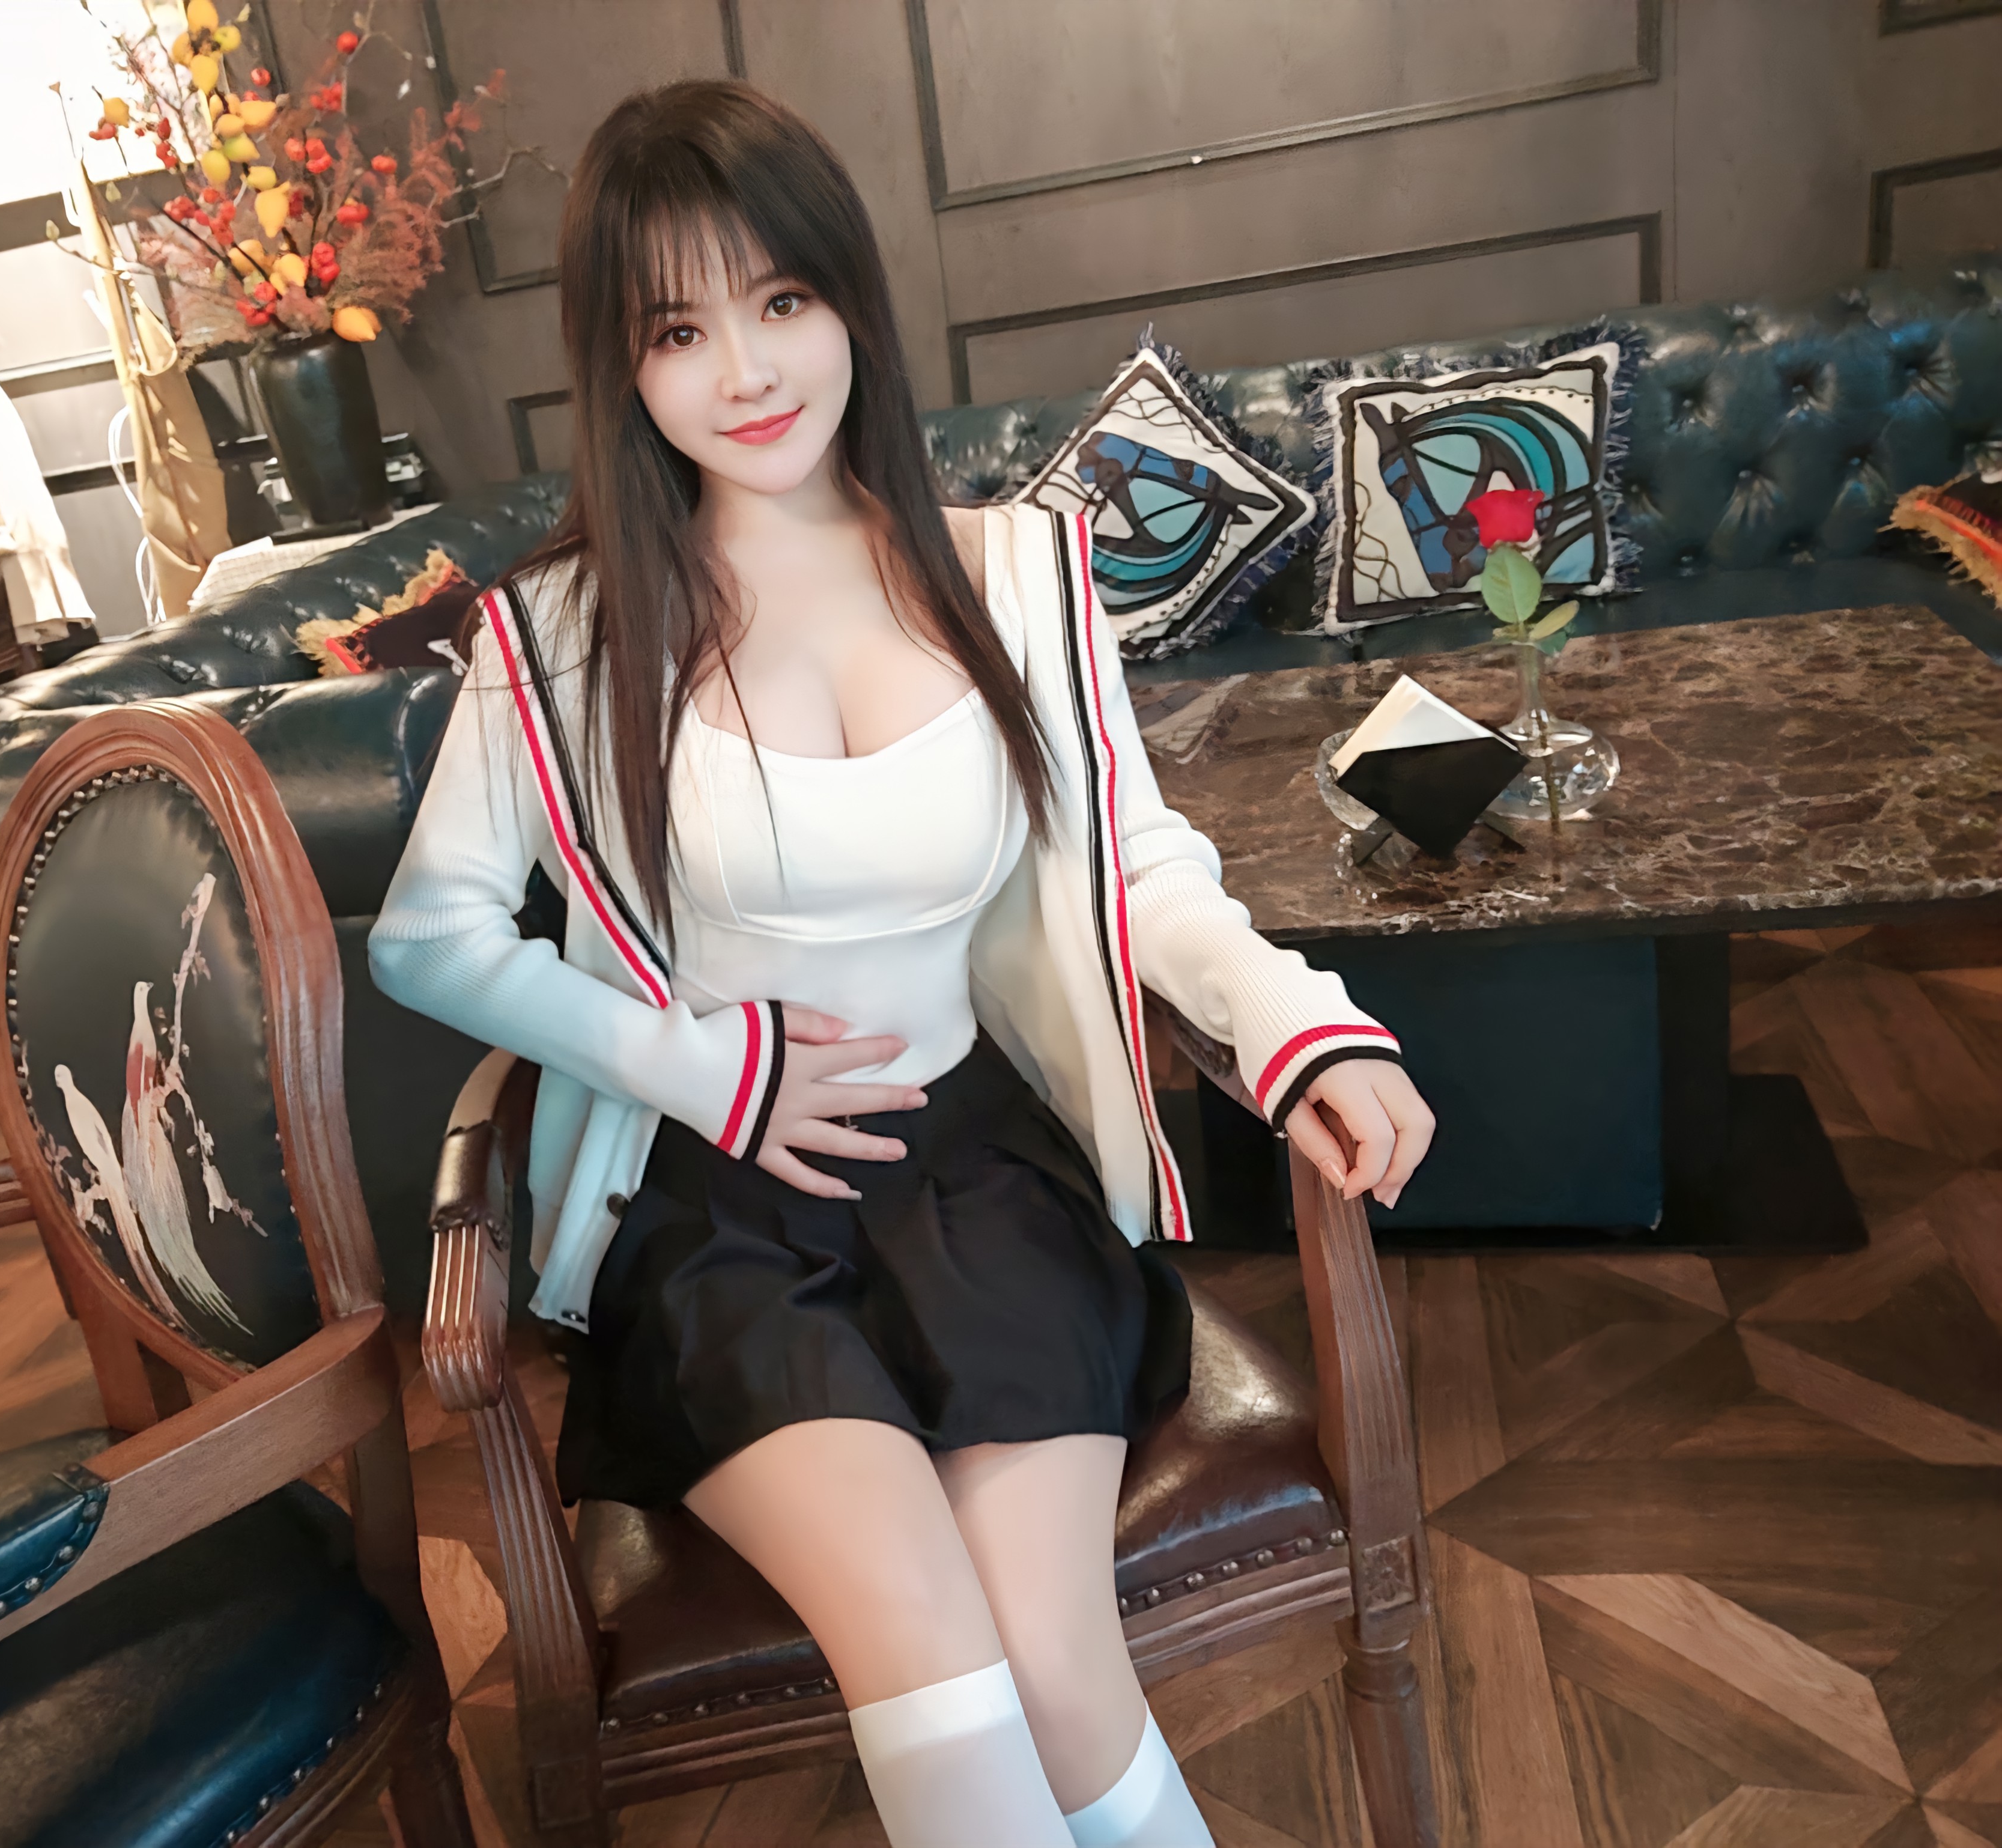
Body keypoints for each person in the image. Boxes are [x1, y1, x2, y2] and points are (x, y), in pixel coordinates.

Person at [369, 78, 1433, 1848]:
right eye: (679, 331)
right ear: (621, 367)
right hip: (718, 1213)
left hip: (982, 1179)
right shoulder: (557, 635)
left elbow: (1139, 866)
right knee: (933, 1666)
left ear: (851, 298)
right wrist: (700, 1066)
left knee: (1058, 1658)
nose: (747, 371)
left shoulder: (1020, 574)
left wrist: (1300, 1033)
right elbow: (430, 940)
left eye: (783, 300)